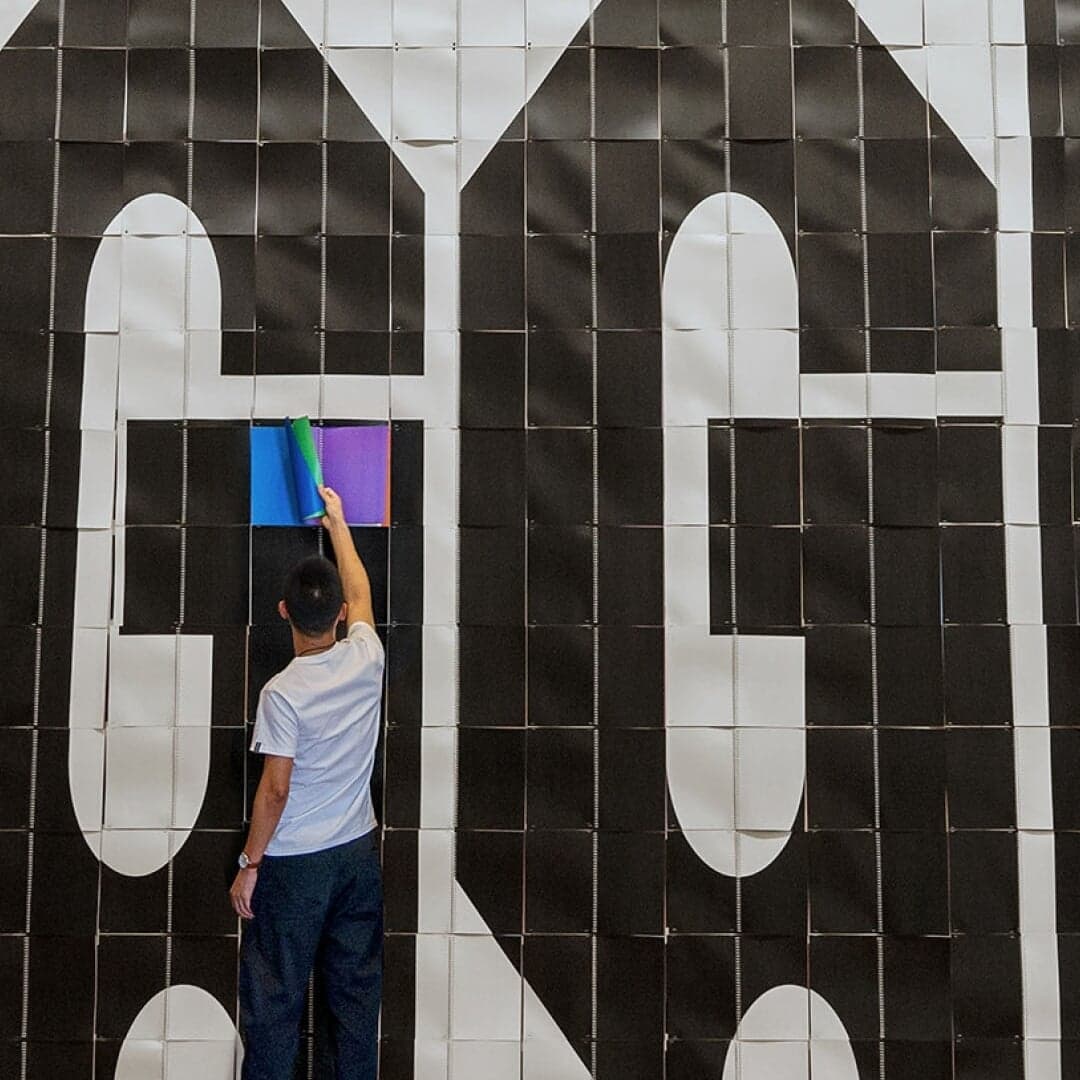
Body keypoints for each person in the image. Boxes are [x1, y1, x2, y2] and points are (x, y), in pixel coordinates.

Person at [230, 484, 384, 1080]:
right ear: (340, 614)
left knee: (274, 1008)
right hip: (355, 858)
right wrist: (340, 522)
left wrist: (249, 861)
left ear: (284, 611)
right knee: (353, 1006)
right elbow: (364, 590)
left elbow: (275, 790)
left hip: (293, 867)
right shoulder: (366, 657)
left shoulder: (282, 693)